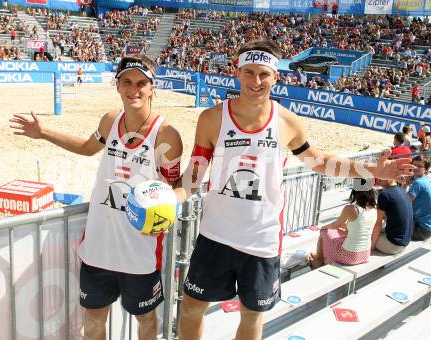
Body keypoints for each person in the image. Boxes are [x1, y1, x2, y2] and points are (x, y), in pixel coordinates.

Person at [174, 39, 413, 340]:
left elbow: (320, 162)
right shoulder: (211, 118)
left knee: (251, 317)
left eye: (264, 74)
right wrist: (169, 198)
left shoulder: (288, 121)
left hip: (261, 240)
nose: (256, 81)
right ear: (237, 72)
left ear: (276, 77)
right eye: (249, 72)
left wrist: (371, 170)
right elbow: (193, 176)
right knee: (192, 309)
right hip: (215, 235)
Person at [9, 54, 183, 340]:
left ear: (153, 88)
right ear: (117, 86)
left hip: (140, 252)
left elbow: (174, 187)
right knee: (92, 323)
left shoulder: (166, 135)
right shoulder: (111, 120)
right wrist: (44, 133)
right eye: (126, 82)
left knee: (147, 323)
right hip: (99, 247)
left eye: (141, 83)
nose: (133, 89)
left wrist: (169, 209)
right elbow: (88, 148)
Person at [308, 179, 377, 268]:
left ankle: (319, 261)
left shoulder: (351, 209)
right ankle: (320, 256)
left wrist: (324, 227)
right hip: (365, 254)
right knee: (337, 234)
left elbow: (335, 225)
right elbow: (356, 227)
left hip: (350, 256)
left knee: (325, 232)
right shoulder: (374, 209)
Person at [371, 178, 413, 255]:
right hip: (405, 242)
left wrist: (372, 247)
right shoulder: (402, 191)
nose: (380, 177)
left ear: (393, 177)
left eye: (384, 175)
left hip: (393, 246)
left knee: (365, 232)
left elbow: (378, 223)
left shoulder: (384, 194)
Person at [408, 155, 431, 241]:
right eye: (414, 165)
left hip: (420, 230)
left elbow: (404, 203)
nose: (416, 168)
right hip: (427, 229)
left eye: (419, 166)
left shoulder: (418, 183)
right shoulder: (425, 180)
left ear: (426, 169)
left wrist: (404, 184)